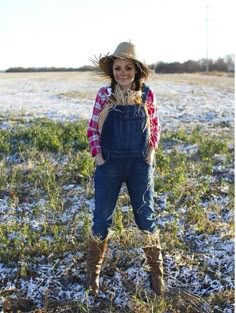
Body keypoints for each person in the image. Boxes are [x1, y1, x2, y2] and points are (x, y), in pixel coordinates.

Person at [86, 41, 164, 296]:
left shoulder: (147, 93)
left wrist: (150, 154)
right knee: (102, 220)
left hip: (139, 165)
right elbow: (92, 128)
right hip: (109, 165)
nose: (122, 72)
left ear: (137, 70)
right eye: (118, 67)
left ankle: (156, 273)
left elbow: (155, 126)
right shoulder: (104, 95)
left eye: (128, 67)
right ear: (112, 71)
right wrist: (98, 157)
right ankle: (93, 274)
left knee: (146, 217)